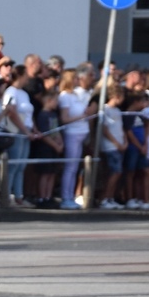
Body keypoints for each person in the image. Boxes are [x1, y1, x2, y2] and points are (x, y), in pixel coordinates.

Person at [56, 67, 92, 209]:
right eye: (76, 78)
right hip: (72, 133)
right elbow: (64, 118)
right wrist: (81, 116)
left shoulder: (75, 95)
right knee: (70, 167)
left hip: (82, 132)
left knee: (75, 167)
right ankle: (66, 197)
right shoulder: (65, 96)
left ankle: (71, 196)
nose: (78, 80)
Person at [1, 64, 37, 205]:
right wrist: (25, 131)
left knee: (21, 166)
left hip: (26, 131)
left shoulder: (24, 93)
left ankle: (19, 196)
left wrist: (34, 130)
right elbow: (12, 114)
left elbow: (28, 115)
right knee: (13, 165)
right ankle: (8, 195)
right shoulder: (11, 92)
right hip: (16, 132)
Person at [97, 85, 127, 209]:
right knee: (115, 172)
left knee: (117, 173)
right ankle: (105, 198)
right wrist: (116, 143)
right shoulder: (105, 109)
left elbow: (121, 128)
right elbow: (105, 129)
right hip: (111, 146)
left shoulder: (118, 111)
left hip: (119, 145)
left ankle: (110, 198)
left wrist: (125, 142)